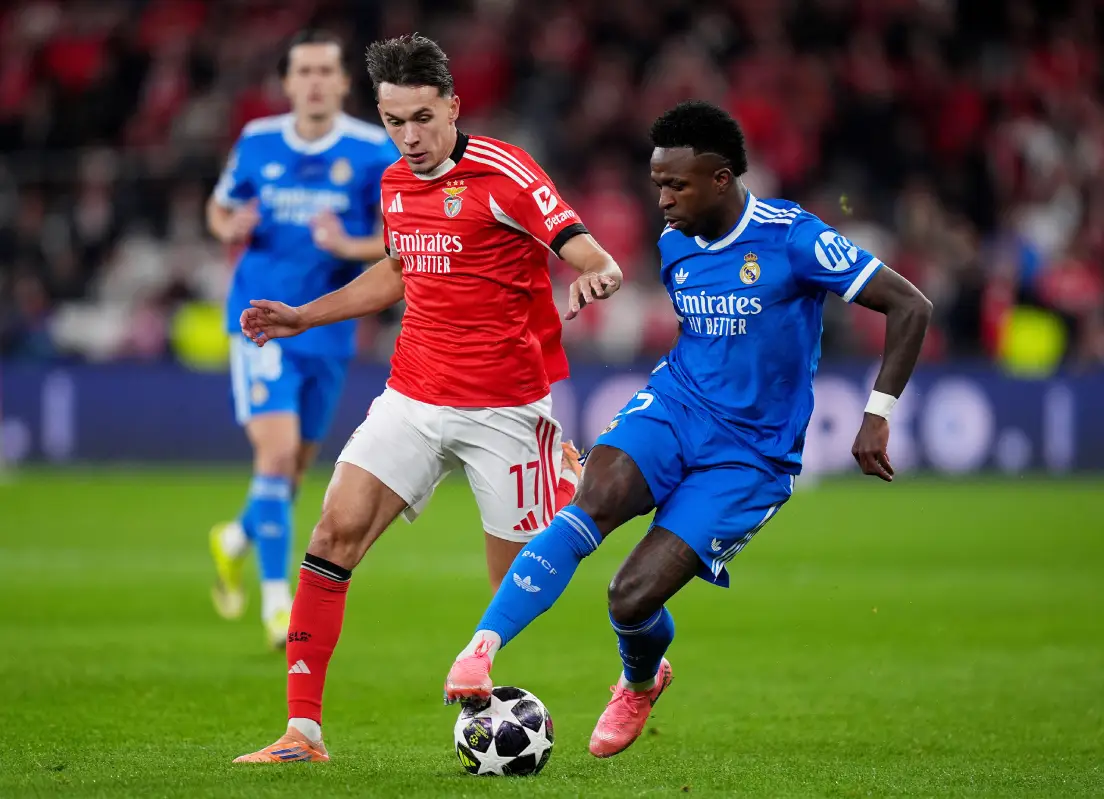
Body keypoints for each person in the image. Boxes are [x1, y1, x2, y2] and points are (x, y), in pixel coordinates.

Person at [442, 100, 933, 759]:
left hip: (750, 456)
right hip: (676, 407)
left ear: (721, 178)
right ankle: (481, 649)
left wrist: (878, 413)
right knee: (593, 502)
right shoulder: (675, 246)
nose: (664, 200)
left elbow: (910, 304)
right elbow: (704, 336)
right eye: (657, 185)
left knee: (629, 597)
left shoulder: (793, 237)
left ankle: (641, 679)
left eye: (677, 184)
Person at [231, 35, 623, 764]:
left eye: (420, 118)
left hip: (505, 410)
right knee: (332, 532)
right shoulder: (392, 184)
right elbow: (400, 272)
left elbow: (581, 244)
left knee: (518, 586)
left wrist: (596, 272)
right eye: (392, 120)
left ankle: (576, 505)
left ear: (453, 105)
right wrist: (303, 314)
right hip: (412, 394)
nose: (408, 137)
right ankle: (301, 731)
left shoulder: (505, 172)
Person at [206, 30, 398, 648]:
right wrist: (228, 223)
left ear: (343, 83)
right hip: (260, 320)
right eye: (304, 72)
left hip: (326, 325)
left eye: (325, 71)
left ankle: (236, 537)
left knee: (295, 470)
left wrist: (350, 246)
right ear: (287, 83)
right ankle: (274, 605)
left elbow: (399, 241)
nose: (314, 81)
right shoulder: (258, 140)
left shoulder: (371, 149)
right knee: (278, 455)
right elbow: (219, 208)